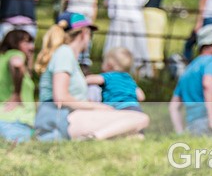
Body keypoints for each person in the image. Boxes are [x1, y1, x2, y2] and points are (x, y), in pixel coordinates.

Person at [34, 12, 149, 141]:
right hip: (60, 118)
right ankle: (94, 137)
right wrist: (97, 107)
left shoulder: (68, 56)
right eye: (91, 34)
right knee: (140, 118)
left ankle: (97, 137)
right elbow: (60, 97)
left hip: (68, 116)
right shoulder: (64, 52)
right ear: (84, 33)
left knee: (136, 135)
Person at [170, 25, 212, 137]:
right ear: (208, 43)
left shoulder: (188, 70)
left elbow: (174, 106)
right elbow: (207, 84)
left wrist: (180, 133)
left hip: (193, 127)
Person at [102, 0, 150, 75]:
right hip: (135, 18)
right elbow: (143, 0)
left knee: (116, 45)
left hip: (118, 18)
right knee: (137, 47)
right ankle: (139, 72)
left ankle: (113, 70)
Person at [60, 0, 98, 70]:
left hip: (72, 19)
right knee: (85, 50)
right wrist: (91, 22)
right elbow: (94, 6)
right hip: (86, 19)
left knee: (71, 45)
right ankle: (84, 69)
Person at [0, 29, 35, 142]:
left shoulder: (2, 58)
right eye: (26, 42)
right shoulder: (15, 54)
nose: (31, 47)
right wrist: (16, 93)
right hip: (15, 121)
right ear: (14, 43)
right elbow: (16, 63)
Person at [86, 47, 146, 113]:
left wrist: (82, 80)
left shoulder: (109, 76)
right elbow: (141, 97)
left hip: (117, 108)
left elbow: (92, 79)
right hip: (135, 109)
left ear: (109, 65)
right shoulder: (129, 79)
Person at [141, 0, 168, 76]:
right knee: (156, 46)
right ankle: (154, 74)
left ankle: (143, 72)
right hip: (159, 15)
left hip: (147, 14)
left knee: (145, 44)